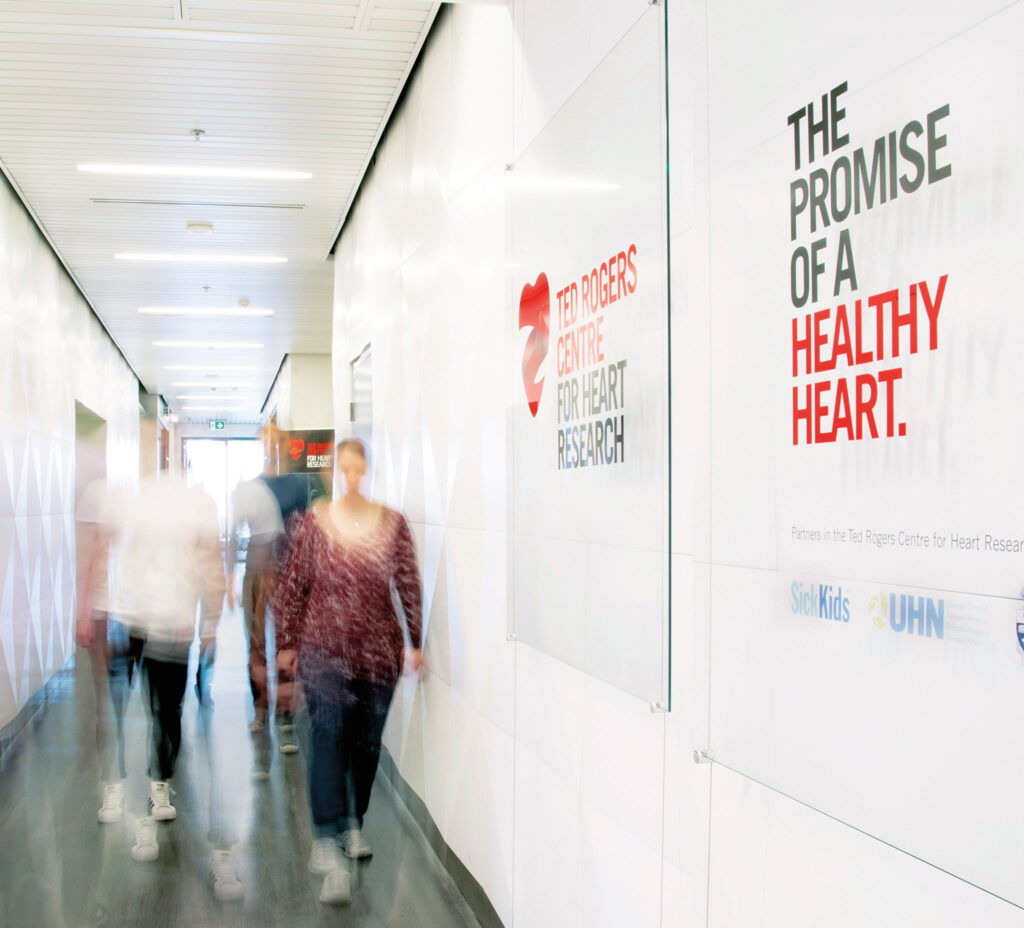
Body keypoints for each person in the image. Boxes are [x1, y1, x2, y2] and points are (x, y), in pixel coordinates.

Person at [272, 438, 422, 905]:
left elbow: (408, 581)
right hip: (324, 651)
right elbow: (294, 583)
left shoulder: (392, 524)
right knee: (329, 737)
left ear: (367, 471)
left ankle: (352, 823)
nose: (352, 476)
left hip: (378, 653)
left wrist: (415, 640)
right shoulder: (313, 522)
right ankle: (325, 838)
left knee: (366, 744)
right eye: (346, 468)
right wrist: (287, 643)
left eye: (360, 468)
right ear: (338, 471)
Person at [226, 428, 325, 764]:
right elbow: (234, 531)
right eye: (265, 440)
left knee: (287, 645)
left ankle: (284, 718)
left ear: (284, 444)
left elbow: (313, 531)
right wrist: (229, 576)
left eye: (276, 440)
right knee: (254, 643)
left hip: (290, 576)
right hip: (256, 574)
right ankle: (260, 707)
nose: (271, 446)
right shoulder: (252, 486)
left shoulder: (299, 485)